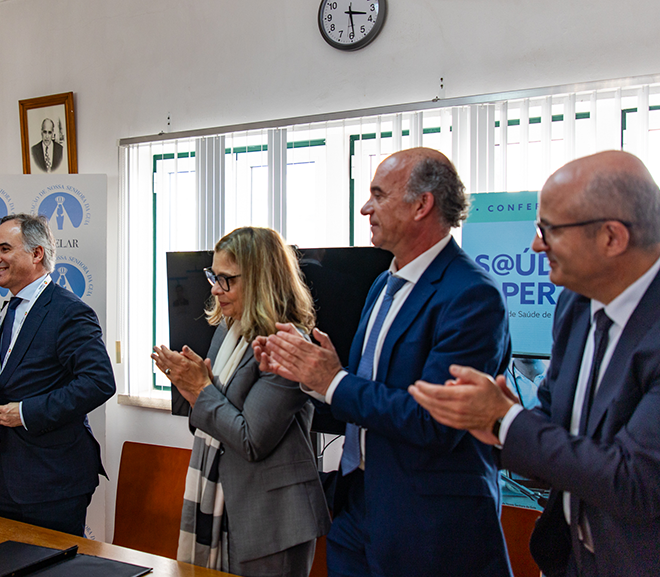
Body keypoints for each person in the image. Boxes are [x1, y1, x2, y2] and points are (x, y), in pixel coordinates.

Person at [255, 148, 513, 577]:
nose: (365, 208)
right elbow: (362, 391)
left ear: (421, 204)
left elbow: (436, 422)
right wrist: (305, 375)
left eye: (378, 194)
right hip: (358, 506)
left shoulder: (471, 295)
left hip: (429, 525)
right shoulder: (382, 285)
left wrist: (332, 379)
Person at [409, 150, 660, 577]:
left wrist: (508, 422)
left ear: (612, 238)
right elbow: (556, 421)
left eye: (549, 230)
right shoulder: (575, 306)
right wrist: (499, 421)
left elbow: (633, 484)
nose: (536, 245)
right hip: (567, 557)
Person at [151, 227, 330, 577]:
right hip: (223, 499)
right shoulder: (228, 329)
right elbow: (207, 417)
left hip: (271, 518)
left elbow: (251, 440)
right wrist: (190, 389)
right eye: (212, 276)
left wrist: (201, 390)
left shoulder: (288, 342)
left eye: (226, 279)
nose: (215, 289)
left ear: (263, 280)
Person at [0, 213, 115, 536]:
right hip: (10, 475)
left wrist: (26, 413)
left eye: (4, 248)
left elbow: (99, 382)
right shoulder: (10, 309)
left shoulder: (68, 311)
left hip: (54, 479)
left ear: (36, 254)